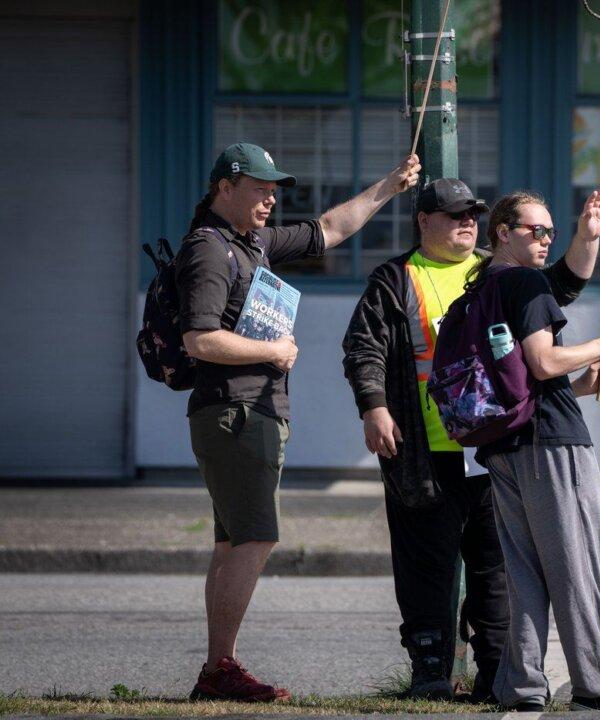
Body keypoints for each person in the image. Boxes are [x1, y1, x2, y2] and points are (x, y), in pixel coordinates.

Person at [341, 179, 600, 702]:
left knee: (497, 568)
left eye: (473, 214)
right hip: (423, 449)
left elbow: (562, 283)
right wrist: (374, 408)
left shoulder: (497, 272)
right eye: (453, 214)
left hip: (495, 448)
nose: (467, 222)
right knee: (427, 564)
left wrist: (588, 234)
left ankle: (496, 673)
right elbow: (363, 347)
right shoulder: (397, 277)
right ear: (423, 221)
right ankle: (430, 671)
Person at [177, 142, 420, 702]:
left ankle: (219, 667)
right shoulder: (210, 251)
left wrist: (389, 186)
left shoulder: (252, 243)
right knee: (255, 536)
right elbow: (199, 337)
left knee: (231, 542)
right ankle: (219, 669)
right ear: (225, 188)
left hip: (245, 411)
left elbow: (329, 229)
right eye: (259, 188)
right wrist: (273, 353)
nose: (269, 199)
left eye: (273, 190)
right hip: (236, 412)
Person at [470, 191, 600, 712]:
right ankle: (598, 685)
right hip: (551, 447)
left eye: (550, 231)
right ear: (503, 231)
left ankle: (519, 686)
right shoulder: (522, 282)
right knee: (578, 566)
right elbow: (542, 363)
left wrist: (582, 385)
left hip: (504, 445)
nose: (546, 240)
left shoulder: (481, 288)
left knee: (523, 573)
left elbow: (521, 374)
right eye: (535, 231)